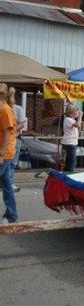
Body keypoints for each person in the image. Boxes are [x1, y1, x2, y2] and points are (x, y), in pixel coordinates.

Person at [0, 83, 17, 224]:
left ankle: (11, 215)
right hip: (5, 153)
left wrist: (1, 153)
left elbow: (7, 132)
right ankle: (11, 215)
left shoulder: (4, 110)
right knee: (6, 184)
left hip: (4, 153)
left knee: (6, 184)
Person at [7, 87, 26, 193]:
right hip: (10, 139)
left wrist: (11, 130)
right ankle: (7, 183)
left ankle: (8, 183)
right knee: (9, 162)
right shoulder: (5, 108)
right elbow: (22, 124)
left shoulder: (18, 108)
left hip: (14, 139)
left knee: (11, 163)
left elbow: (22, 123)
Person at [61, 104, 82, 173]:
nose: (77, 112)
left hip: (71, 143)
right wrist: (80, 116)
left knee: (69, 161)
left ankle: (66, 174)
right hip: (69, 143)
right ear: (71, 113)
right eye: (75, 111)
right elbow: (78, 125)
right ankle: (69, 174)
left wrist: (78, 116)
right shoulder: (68, 119)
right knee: (72, 162)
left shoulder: (72, 120)